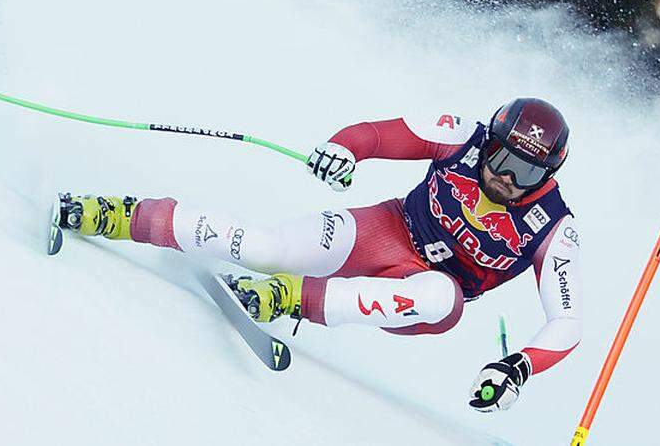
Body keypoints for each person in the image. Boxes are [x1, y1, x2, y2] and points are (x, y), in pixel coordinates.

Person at [55, 97, 581, 412]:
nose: (508, 179)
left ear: (548, 177)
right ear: (489, 140)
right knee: (264, 246)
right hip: (386, 228)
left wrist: (517, 368)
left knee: (439, 292)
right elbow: (375, 135)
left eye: (528, 173)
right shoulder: (460, 136)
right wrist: (342, 148)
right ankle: (115, 214)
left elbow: (568, 322)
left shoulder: (554, 226)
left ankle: (286, 300)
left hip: (424, 298)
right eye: (503, 159)